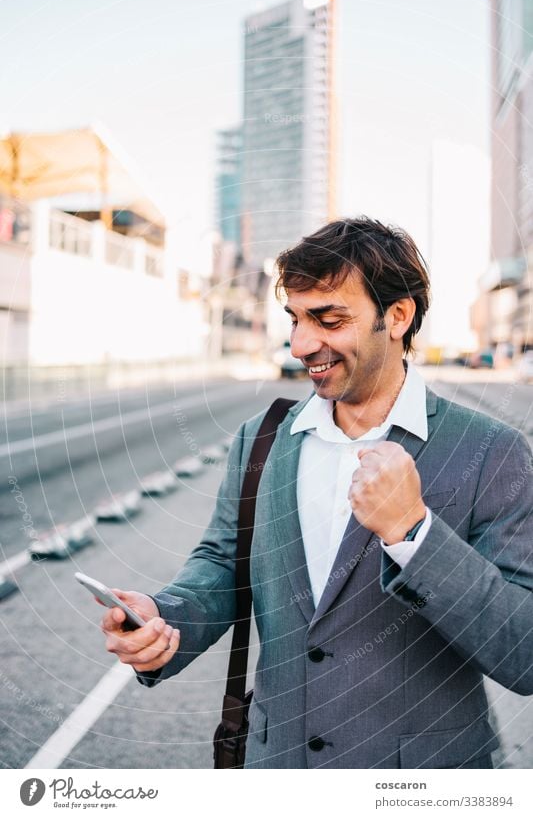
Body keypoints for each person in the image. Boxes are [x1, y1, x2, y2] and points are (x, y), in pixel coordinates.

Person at [101, 217, 533, 769]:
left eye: (329, 319)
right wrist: (163, 619)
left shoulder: (490, 451)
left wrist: (413, 535)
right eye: (296, 319)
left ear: (397, 317)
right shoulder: (262, 438)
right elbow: (222, 565)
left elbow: (522, 651)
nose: (302, 344)